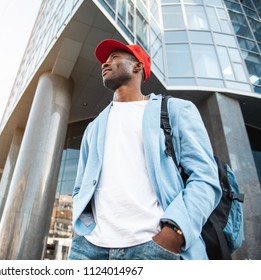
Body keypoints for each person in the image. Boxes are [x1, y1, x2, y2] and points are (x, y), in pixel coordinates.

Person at [67, 39, 222, 260]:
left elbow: (205, 177)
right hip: (90, 249)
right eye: (104, 60)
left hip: (154, 246)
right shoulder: (94, 127)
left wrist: (174, 233)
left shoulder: (175, 110)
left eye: (114, 58)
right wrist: (82, 228)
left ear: (138, 66)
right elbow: (80, 188)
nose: (105, 64)